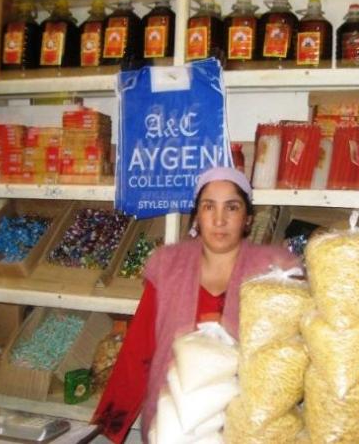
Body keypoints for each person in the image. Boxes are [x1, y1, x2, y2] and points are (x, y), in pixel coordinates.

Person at [92, 166, 299, 443]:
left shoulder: (271, 273)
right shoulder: (169, 267)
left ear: (248, 219)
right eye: (209, 207)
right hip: (172, 423)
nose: (219, 220)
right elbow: (139, 348)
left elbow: (288, 357)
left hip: (245, 425)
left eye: (232, 208)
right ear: (197, 217)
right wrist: (110, 422)